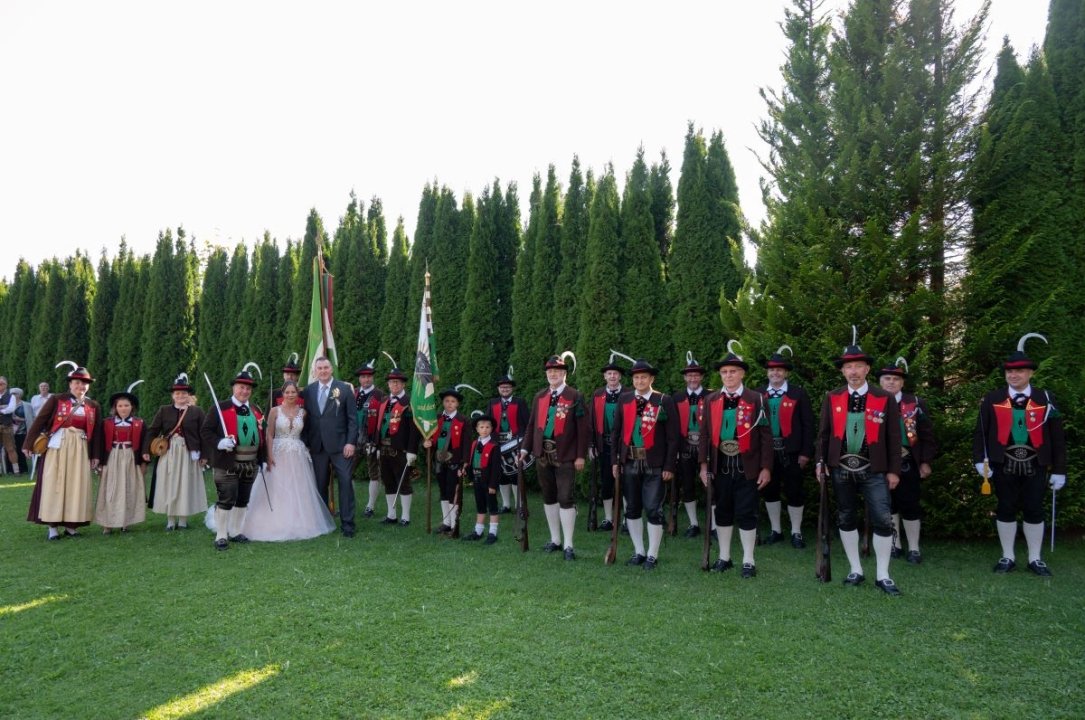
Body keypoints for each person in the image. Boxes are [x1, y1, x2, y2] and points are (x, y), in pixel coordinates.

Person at [815, 332, 903, 596]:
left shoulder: (884, 398)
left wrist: (894, 470)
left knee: (883, 519)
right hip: (840, 468)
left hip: (874, 470)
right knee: (846, 517)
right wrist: (820, 462)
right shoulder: (832, 397)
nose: (853, 371)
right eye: (848, 367)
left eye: (858, 366)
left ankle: (883, 574)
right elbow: (823, 435)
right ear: (842, 371)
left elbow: (894, 438)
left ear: (867, 369)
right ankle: (856, 569)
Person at [973, 333, 1066, 577]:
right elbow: (980, 432)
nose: (1014, 375)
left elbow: (1057, 437)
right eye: (1010, 372)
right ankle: (1008, 556)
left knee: (1034, 508)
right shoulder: (992, 398)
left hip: (1036, 464)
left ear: (1030, 373)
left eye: (1020, 371)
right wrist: (979, 460)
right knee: (1005, 507)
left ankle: (1035, 558)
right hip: (1002, 463)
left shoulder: (1046, 398)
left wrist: (1059, 470)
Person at [698, 344, 773, 578]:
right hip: (720, 467)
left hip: (747, 467)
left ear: (742, 373)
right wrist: (703, 466)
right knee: (722, 511)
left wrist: (766, 467)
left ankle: (748, 560)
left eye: (733, 371)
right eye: (724, 372)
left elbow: (766, 436)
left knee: (747, 512)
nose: (728, 376)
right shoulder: (711, 400)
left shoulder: (757, 399)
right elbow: (704, 435)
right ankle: (724, 557)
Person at [242, 380, 335, 541]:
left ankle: (301, 521)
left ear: (297, 394)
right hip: (278, 452)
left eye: (293, 392)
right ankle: (273, 520)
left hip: (298, 454)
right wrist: (269, 455)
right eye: (287, 392)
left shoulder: (303, 413)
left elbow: (307, 432)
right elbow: (269, 434)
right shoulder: (274, 411)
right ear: (283, 394)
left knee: (298, 487)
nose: (290, 395)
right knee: (278, 485)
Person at [520, 353, 590, 560]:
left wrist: (580, 456)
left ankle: (568, 544)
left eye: (557, 371)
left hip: (565, 455)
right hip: (542, 455)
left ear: (564, 374)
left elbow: (583, 429)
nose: (553, 374)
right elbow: (531, 425)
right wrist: (524, 449)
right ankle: (555, 539)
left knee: (565, 497)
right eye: (550, 371)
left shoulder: (575, 396)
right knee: (549, 497)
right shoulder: (539, 396)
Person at [610, 359, 679, 569]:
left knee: (652, 508)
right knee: (632, 508)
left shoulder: (663, 401)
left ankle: (652, 554)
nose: (640, 381)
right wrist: (615, 461)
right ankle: (639, 551)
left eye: (644, 377)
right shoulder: (625, 399)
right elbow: (616, 433)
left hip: (654, 464)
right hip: (630, 461)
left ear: (651, 379)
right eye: (636, 377)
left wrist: (669, 466)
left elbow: (673, 437)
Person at [24, 364, 101, 540]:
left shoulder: (93, 405)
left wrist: (96, 455)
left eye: (84, 383)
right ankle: (52, 527)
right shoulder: (57, 399)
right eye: (77, 383)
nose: (81, 386)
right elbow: (40, 421)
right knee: (54, 485)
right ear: (70, 384)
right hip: (58, 448)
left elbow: (96, 432)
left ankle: (71, 526)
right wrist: (28, 444)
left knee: (76, 486)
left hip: (80, 449)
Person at [875, 357, 936, 563]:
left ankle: (914, 548)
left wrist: (925, 461)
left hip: (908, 462)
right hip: (882, 463)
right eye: (887, 378)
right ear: (880, 382)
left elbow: (927, 435)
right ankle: (895, 544)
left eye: (895, 379)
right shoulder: (874, 403)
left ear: (902, 383)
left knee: (910, 505)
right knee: (888, 505)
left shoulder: (915, 403)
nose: (891, 382)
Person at [756, 345, 816, 548]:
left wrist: (806, 452)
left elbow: (808, 425)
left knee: (794, 491)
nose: (775, 373)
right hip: (767, 453)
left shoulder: (798, 393)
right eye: (772, 369)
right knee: (770, 491)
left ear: (786, 373)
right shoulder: (758, 394)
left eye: (779, 369)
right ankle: (776, 530)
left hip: (792, 452)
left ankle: (796, 532)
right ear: (767, 372)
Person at [201, 365, 266, 550]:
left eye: (248, 388)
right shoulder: (220, 408)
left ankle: (236, 531)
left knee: (243, 499)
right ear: (234, 388)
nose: (244, 391)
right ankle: (221, 535)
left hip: (250, 463)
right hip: (227, 463)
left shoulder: (255, 410)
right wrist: (220, 442)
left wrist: (262, 459)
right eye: (241, 387)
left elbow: (261, 435)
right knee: (226, 498)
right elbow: (206, 431)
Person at [302, 356, 358, 536]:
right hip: (317, 446)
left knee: (345, 482)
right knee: (320, 485)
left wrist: (351, 442)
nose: (323, 371)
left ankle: (348, 524)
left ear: (331, 369)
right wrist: (306, 443)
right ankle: (323, 522)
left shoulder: (344, 389)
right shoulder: (309, 391)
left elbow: (352, 419)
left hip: (341, 446)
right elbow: (306, 419)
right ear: (315, 371)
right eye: (319, 368)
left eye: (326, 367)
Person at [144, 374, 207, 530]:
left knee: (185, 485)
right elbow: (153, 430)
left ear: (188, 395)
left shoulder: (197, 411)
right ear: (173, 395)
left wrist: (205, 455)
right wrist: (146, 450)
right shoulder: (164, 410)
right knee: (169, 484)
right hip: (169, 453)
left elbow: (204, 434)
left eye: (184, 393)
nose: (180, 396)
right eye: (177, 393)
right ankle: (171, 521)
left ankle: (183, 520)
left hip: (188, 453)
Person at [94, 383, 147, 533]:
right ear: (115, 408)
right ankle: (107, 523)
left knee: (128, 488)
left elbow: (145, 443)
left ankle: (125, 522)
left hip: (130, 458)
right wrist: (99, 462)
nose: (123, 408)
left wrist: (144, 462)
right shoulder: (107, 423)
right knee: (110, 489)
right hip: (113, 457)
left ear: (132, 407)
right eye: (120, 406)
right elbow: (100, 442)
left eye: (126, 405)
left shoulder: (139, 423)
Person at [374, 366, 419, 525]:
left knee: (403, 482)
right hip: (384, 448)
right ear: (388, 384)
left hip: (401, 450)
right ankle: (391, 515)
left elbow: (414, 429)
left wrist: (412, 450)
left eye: (398, 382)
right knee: (388, 482)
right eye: (392, 382)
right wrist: (377, 446)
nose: (394, 385)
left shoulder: (409, 402)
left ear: (403, 384)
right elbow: (379, 425)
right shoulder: (384, 401)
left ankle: (405, 517)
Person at [588, 354, 628, 531]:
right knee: (606, 482)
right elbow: (591, 422)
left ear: (620, 376)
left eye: (615, 374)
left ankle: (627, 519)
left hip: (624, 446)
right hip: (604, 446)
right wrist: (591, 445)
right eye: (609, 373)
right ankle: (608, 518)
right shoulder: (598, 395)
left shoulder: (629, 394)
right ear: (605, 376)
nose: (612, 376)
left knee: (627, 482)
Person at [671, 353, 708, 538]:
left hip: (705, 447)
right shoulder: (676, 398)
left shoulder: (711, 396)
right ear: (685, 378)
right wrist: (675, 450)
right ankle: (694, 523)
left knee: (711, 484)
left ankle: (714, 524)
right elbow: (673, 427)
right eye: (689, 375)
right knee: (687, 485)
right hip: (685, 448)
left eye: (696, 375)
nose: (693, 378)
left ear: (701, 377)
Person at [429, 388, 469, 535]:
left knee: (453, 491)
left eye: (453, 401)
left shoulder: (463, 420)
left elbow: (466, 443)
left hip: (455, 461)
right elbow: (430, 436)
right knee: (443, 491)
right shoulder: (437, 418)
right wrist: (426, 442)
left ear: (457, 404)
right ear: (443, 403)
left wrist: (465, 462)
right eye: (447, 401)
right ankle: (446, 522)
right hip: (439, 461)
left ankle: (454, 524)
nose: (449, 404)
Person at [489, 369, 529, 513]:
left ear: (512, 388)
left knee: (515, 474)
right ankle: (506, 505)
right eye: (502, 387)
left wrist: (523, 441)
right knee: (501, 475)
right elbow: (488, 424)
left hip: (515, 443)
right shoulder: (492, 403)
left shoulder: (520, 402)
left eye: (507, 387)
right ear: (498, 389)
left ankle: (519, 504)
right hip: (498, 444)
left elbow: (527, 423)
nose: (505, 389)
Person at [461, 413, 503, 543]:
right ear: (477, 429)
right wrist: (466, 471)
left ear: (491, 429)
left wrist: (493, 485)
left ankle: (492, 533)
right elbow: (471, 460)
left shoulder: (494, 446)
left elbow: (496, 468)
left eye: (487, 427)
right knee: (480, 505)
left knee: (492, 506)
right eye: (481, 427)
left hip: (488, 482)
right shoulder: (474, 444)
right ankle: (478, 531)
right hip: (477, 480)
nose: (484, 430)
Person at [354, 359, 385, 518]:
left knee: (374, 472)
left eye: (369, 377)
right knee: (347, 471)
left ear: (372, 378)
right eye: (363, 377)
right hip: (354, 440)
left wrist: (378, 443)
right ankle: (350, 503)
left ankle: (370, 506)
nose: (366, 379)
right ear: (359, 378)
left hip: (371, 440)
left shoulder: (380, 395)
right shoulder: (353, 393)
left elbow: (382, 421)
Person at [0, 376, 20, 471]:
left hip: (7, 426)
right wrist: (4, 408)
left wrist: (2, 410)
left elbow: (11, 409)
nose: (0, 385)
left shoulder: (11, 396)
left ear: (6, 385)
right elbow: (7, 408)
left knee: (11, 448)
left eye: (2, 383)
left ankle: (16, 471)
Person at [11, 388, 32, 474]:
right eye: (11, 393)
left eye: (15, 393)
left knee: (21, 449)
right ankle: (11, 469)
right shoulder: (8, 405)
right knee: (11, 450)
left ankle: (23, 469)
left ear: (19, 394)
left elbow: (31, 418)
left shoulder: (27, 405)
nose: (13, 395)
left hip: (22, 431)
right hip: (10, 431)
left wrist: (21, 419)